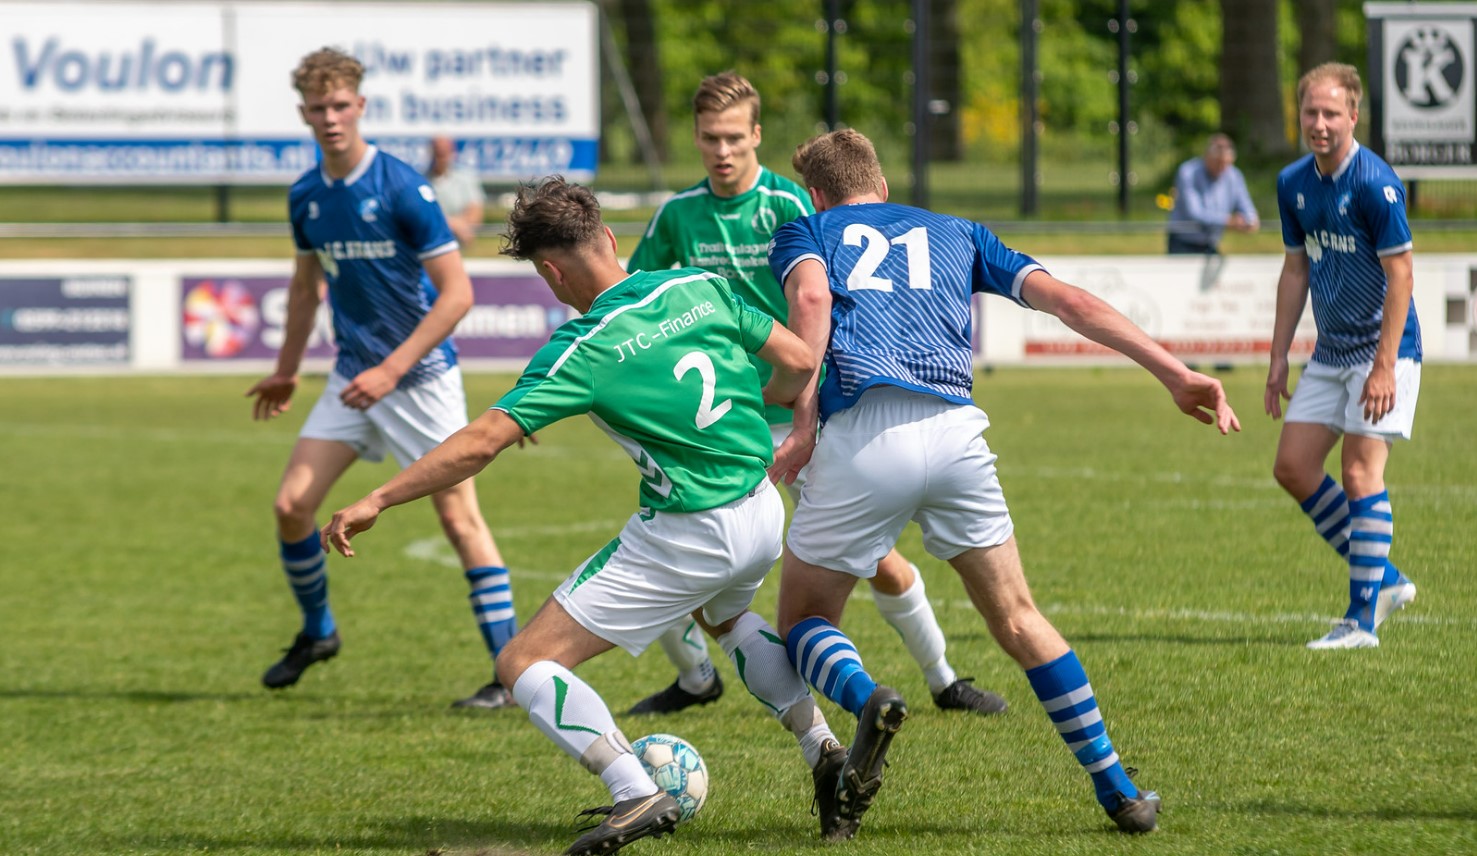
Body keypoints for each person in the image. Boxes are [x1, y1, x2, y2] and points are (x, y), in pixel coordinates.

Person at [321, 176, 861, 851]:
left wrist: (377, 496)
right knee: (724, 617)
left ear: (549, 272)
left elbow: (482, 441)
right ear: (609, 238)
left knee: (524, 662)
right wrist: (757, 404)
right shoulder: (693, 286)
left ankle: (634, 793)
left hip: (692, 528)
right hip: (758, 509)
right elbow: (797, 359)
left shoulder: (582, 348)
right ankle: (822, 748)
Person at [768, 128, 1242, 834]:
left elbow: (810, 305)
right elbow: (1068, 300)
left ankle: (867, 698)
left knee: (803, 620)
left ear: (816, 193)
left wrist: (802, 424)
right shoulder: (958, 231)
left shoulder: (806, 228)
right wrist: (1173, 371)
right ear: (883, 185)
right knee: (1018, 618)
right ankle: (1117, 788)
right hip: (958, 435)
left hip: (863, 434)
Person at [625, 69, 1006, 720]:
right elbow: (633, 301)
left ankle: (943, 680)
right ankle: (695, 679)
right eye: (709, 138)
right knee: (667, 552)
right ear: (695, 137)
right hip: (718, 422)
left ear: (756, 136)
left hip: (802, 414)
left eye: (733, 138)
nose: (721, 151)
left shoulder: (793, 207)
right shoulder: (677, 216)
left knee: (878, 562)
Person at [247, 48, 517, 711]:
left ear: (359, 107)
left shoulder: (400, 187)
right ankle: (319, 633)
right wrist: (285, 371)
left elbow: (456, 295)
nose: (330, 118)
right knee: (290, 507)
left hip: (419, 378)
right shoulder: (307, 196)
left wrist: (392, 367)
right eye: (318, 108)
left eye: (341, 105)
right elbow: (307, 286)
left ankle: (511, 675)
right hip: (352, 379)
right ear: (304, 114)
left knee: (460, 520)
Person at [1265, 62, 1420, 650]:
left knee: (1360, 473)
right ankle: (1385, 578)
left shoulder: (1376, 183)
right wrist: (1279, 357)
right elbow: (1295, 267)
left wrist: (1384, 365)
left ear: (1354, 115)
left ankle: (1360, 620)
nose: (1320, 123)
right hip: (1329, 353)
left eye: (1332, 113)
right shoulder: (1292, 183)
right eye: (1311, 112)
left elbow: (1401, 274)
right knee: (1294, 468)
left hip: (1387, 351)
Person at [1167, 133, 1259, 256]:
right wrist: (1229, 221)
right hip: (1183, 243)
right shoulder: (1188, 172)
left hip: (1209, 244)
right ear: (1206, 157)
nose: (1222, 168)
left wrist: (1250, 219)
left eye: (1226, 163)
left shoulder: (1234, 175)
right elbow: (1195, 213)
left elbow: (1245, 205)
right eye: (1218, 163)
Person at [426, 136, 487, 248]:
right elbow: (421, 216)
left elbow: (476, 214)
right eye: (438, 153)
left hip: (461, 246)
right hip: (430, 246)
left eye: (444, 153)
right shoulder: (420, 180)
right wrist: (452, 224)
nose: (441, 158)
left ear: (452, 153)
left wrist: (459, 225)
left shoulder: (466, 178)